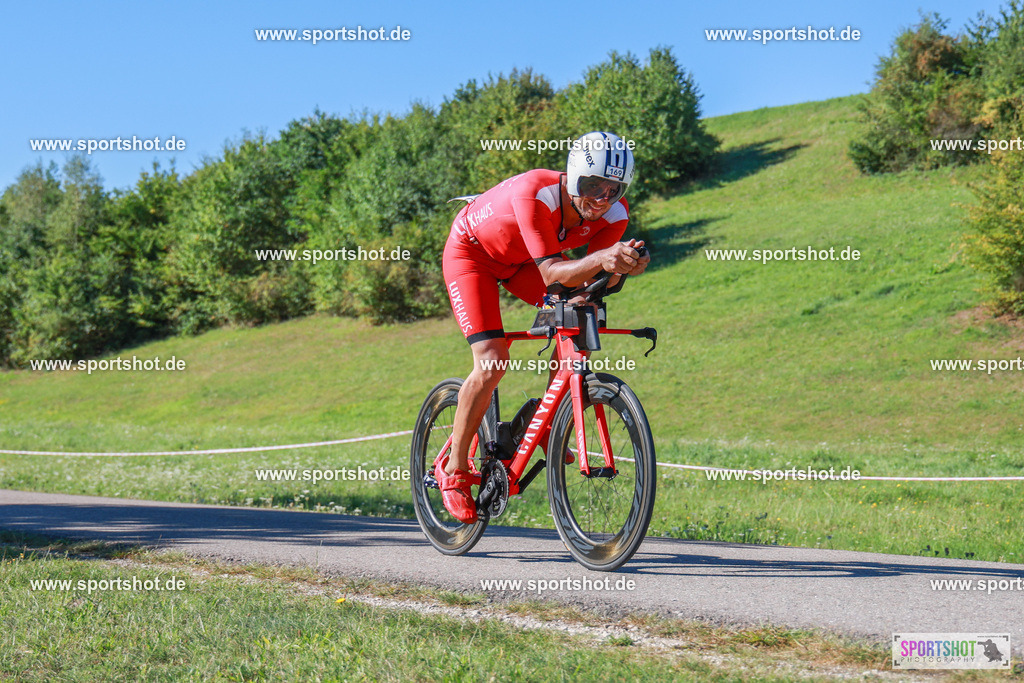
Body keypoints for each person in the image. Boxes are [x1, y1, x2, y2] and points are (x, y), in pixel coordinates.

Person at [438, 131, 650, 523]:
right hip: (474, 256)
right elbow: (553, 272)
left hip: (523, 263)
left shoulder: (614, 217)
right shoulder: (537, 191)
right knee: (491, 360)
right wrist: (605, 258)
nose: (601, 200)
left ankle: (550, 420)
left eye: (613, 189)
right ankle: (454, 470)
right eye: (592, 186)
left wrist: (624, 269)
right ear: (572, 177)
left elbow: (590, 283)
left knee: (577, 308)